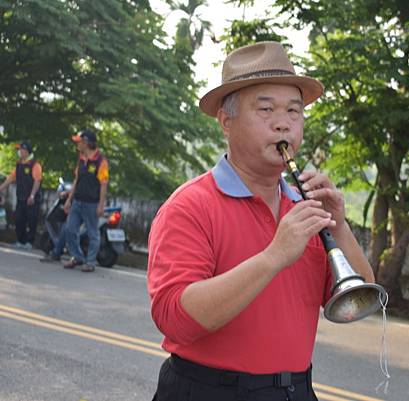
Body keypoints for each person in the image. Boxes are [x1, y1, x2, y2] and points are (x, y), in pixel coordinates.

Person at [147, 41, 377, 401]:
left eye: (294, 112)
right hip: (209, 391)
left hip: (294, 390)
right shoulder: (190, 205)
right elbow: (174, 317)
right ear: (226, 121)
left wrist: (339, 227)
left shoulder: (303, 205)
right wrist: (273, 257)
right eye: (265, 109)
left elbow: (356, 300)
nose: (283, 123)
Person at [62, 129, 109, 273]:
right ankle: (77, 257)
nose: (77, 144)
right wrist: (69, 199)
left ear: (86, 143)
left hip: (92, 203)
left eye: (80, 142)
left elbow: (104, 184)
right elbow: (77, 180)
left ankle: (90, 262)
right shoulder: (81, 159)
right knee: (70, 229)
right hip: (77, 201)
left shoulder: (101, 161)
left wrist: (101, 205)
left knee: (92, 233)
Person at [0, 141, 43, 249]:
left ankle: (29, 242)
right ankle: (21, 241)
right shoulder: (19, 164)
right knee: (19, 219)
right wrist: (1, 188)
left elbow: (37, 181)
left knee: (32, 220)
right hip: (21, 197)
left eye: (21, 150)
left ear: (26, 151)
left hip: (32, 199)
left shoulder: (35, 165)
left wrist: (32, 195)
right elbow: (10, 178)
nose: (19, 152)